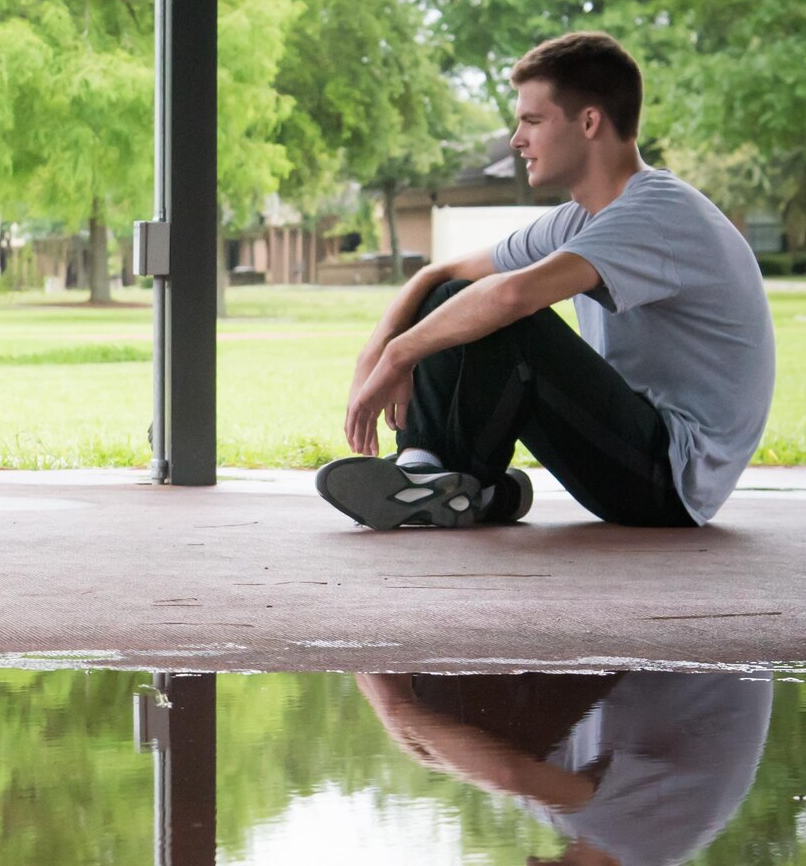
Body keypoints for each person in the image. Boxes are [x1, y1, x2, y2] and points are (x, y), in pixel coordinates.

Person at [319, 31, 775, 530]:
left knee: (509, 320)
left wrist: (400, 355)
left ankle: (466, 489)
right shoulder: (581, 217)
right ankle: (427, 472)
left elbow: (513, 297)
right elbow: (441, 273)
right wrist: (377, 350)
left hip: (671, 478)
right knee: (455, 297)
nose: (518, 140)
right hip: (626, 449)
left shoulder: (657, 213)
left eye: (532, 121)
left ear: (589, 122)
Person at [359, 670, 771, 866]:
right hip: (692, 627)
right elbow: (507, 773)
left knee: (459, 725)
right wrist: (396, 708)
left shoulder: (579, 820)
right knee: (457, 712)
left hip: (644, 647)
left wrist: (387, 695)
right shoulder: (654, 838)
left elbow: (456, 760)